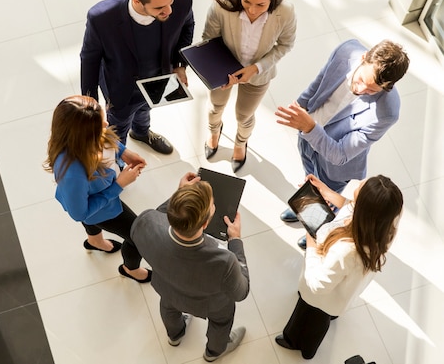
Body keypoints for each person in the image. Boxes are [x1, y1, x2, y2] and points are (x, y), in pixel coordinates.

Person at [275, 39, 409, 248]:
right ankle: (308, 207)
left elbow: (339, 155)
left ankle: (317, 229)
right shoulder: (346, 51)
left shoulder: (387, 113)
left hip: (335, 166)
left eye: (372, 90)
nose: (362, 89)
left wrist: (309, 127)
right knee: (310, 180)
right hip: (308, 137)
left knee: (327, 197)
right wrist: (298, 109)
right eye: (363, 80)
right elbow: (317, 87)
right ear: (363, 58)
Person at [275, 174, 403, 359]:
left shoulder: (347, 251)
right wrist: (327, 193)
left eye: (360, 189)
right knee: (324, 316)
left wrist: (311, 242)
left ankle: (297, 343)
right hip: (340, 294)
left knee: (309, 318)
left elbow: (318, 285)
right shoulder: (383, 229)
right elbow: (351, 206)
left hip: (321, 295)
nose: (357, 184)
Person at [130, 173, 250, 362]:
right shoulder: (224, 261)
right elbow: (241, 292)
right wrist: (235, 240)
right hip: (210, 306)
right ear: (205, 223)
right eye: (213, 206)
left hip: (167, 289)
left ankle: (175, 335)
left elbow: (158, 216)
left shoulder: (145, 222)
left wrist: (180, 194)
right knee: (222, 322)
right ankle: (214, 352)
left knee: (168, 307)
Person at [80, 0, 194, 154]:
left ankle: (141, 133)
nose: (169, 11)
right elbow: (89, 59)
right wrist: (91, 104)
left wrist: (179, 64)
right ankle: (117, 161)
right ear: (137, 1)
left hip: (159, 79)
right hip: (122, 89)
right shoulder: (101, 18)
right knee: (117, 130)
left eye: (170, 2)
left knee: (145, 110)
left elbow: (187, 25)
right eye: (160, 8)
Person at [43, 95, 151, 283]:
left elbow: (106, 138)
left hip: (95, 194)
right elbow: (80, 213)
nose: (106, 123)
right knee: (138, 237)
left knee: (93, 220)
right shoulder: (72, 172)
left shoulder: (84, 135)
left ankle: (95, 241)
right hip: (101, 207)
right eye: (101, 123)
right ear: (84, 134)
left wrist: (124, 152)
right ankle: (130, 269)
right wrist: (119, 185)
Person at [202, 0, 296, 172]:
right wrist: (223, 71)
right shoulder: (221, 7)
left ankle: (241, 142)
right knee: (216, 106)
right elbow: (209, 40)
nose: (252, 10)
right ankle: (214, 131)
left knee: (244, 115)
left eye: (261, 5)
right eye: (246, 1)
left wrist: (256, 68)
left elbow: (285, 44)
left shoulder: (285, 11)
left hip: (258, 75)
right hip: (223, 70)